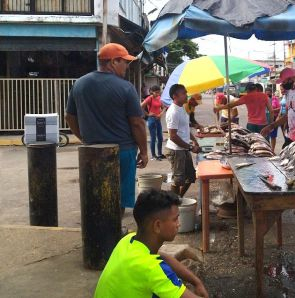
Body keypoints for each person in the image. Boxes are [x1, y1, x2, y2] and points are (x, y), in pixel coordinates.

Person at [65, 43, 148, 215]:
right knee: (116, 198)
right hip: (122, 151)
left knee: (96, 194)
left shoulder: (80, 84)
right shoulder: (126, 88)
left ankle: (97, 231)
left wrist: (84, 139)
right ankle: (112, 233)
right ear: (113, 62)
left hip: (92, 151)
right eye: (124, 62)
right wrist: (144, 151)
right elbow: (137, 123)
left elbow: (69, 117)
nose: (126, 66)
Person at [94, 190, 209, 298]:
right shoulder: (152, 269)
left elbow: (162, 257)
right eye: (175, 219)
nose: (178, 224)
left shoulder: (128, 240)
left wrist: (196, 282)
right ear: (157, 226)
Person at [261, 68, 295, 215]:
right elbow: (287, 115)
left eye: (284, 82)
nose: (283, 85)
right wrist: (272, 125)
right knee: (287, 167)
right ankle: (291, 196)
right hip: (290, 136)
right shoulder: (289, 93)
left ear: (292, 79)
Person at [166, 84, 200, 197]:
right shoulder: (173, 112)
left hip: (184, 149)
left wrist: (194, 140)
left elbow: (185, 128)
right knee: (178, 180)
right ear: (175, 96)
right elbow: (173, 136)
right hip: (176, 150)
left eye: (186, 92)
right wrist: (190, 147)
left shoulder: (182, 108)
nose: (186, 95)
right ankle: (173, 204)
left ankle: (179, 198)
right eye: (183, 93)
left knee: (191, 177)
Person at [142, 85, 167, 161]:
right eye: (156, 92)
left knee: (160, 138)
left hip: (158, 119)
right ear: (152, 92)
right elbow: (141, 106)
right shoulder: (150, 98)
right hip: (151, 120)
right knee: (153, 138)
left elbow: (164, 107)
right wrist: (148, 114)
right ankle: (153, 155)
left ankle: (159, 153)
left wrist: (161, 114)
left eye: (159, 92)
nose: (158, 93)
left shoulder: (159, 98)